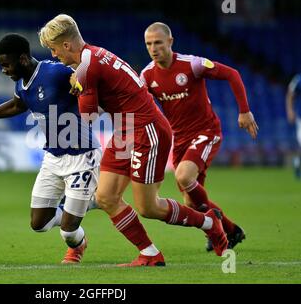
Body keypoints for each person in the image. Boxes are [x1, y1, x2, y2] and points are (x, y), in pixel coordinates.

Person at [38, 14, 228, 267]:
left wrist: (77, 87)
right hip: (126, 129)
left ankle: (209, 222)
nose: (53, 55)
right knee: (105, 196)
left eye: (53, 49)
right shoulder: (93, 55)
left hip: (145, 130)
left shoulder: (85, 67)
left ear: (67, 45)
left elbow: (89, 116)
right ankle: (149, 253)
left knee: (149, 207)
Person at [0, 33, 102, 264]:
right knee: (38, 224)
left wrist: (80, 83)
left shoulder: (54, 72)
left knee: (67, 231)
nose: (3, 70)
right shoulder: (21, 84)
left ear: (22, 59)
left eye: (6, 64)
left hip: (82, 155)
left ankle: (83, 228)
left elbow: (86, 75)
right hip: (53, 157)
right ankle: (86, 202)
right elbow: (16, 105)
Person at [140, 22, 259, 251]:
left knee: (185, 176)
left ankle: (215, 226)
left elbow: (232, 74)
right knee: (190, 203)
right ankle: (232, 230)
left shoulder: (191, 64)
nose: (153, 48)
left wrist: (244, 110)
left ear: (170, 42)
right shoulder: (146, 76)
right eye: (148, 44)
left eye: (158, 42)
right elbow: (136, 103)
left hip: (206, 132)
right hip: (180, 140)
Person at [286, 73, 301, 179]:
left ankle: (297, 163)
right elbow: (290, 94)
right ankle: (297, 164)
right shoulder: (298, 79)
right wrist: (290, 110)